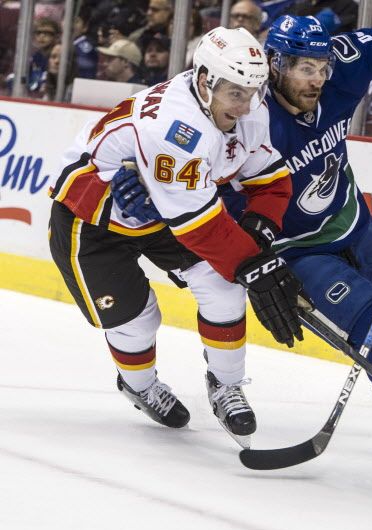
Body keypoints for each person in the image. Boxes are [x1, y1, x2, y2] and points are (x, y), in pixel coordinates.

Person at [116, 17, 372, 465]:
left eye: (321, 67)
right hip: (292, 250)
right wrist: (139, 175)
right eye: (305, 68)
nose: (318, 79)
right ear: (275, 64)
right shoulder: (245, 110)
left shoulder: (341, 64)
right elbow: (171, 126)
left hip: (352, 221)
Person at [48, 27, 304, 446]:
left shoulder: (250, 110)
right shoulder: (175, 128)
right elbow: (200, 227)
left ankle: (226, 385)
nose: (245, 106)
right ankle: (140, 385)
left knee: (222, 287)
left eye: (254, 92)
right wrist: (255, 267)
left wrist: (260, 233)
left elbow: (269, 180)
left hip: (167, 210)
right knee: (137, 320)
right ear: (205, 81)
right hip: (93, 217)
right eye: (235, 93)